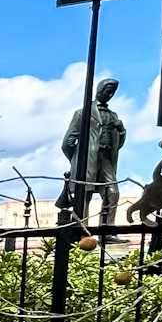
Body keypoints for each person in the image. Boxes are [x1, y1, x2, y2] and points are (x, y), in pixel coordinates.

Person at [61, 77, 127, 225]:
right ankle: (82, 230)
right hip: (87, 159)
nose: (110, 95)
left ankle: (107, 230)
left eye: (112, 93)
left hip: (106, 159)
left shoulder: (113, 116)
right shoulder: (82, 113)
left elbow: (117, 144)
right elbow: (67, 143)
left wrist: (122, 131)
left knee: (112, 192)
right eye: (108, 92)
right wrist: (77, 159)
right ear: (99, 91)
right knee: (84, 193)